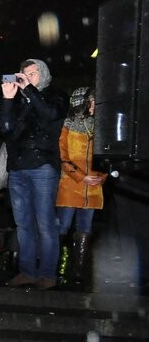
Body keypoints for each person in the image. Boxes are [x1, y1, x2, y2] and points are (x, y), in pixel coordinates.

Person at [0, 59, 68, 290]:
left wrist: (29, 89)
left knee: (45, 223)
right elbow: (4, 128)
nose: (27, 78)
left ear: (43, 74)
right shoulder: (17, 101)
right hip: (17, 168)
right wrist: (7, 99)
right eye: (24, 74)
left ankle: (47, 274)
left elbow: (49, 115)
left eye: (33, 74)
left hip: (43, 167)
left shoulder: (56, 95)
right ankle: (27, 271)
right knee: (23, 224)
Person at [56, 87, 104, 285]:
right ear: (82, 102)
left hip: (92, 187)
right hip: (70, 185)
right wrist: (80, 177)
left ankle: (78, 273)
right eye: (92, 101)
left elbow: (107, 155)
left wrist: (101, 176)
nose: (95, 105)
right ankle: (56, 268)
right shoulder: (67, 125)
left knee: (85, 228)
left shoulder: (101, 126)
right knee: (62, 227)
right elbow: (62, 157)